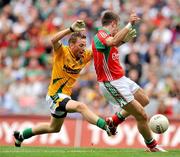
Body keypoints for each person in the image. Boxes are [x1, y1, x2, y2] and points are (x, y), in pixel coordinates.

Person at [13, 20, 112, 147]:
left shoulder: (85, 55)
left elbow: (104, 46)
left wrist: (122, 37)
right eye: (81, 45)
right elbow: (53, 40)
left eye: (84, 45)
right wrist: (70, 29)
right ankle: (106, 126)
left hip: (65, 96)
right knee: (80, 106)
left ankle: (21, 135)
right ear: (71, 45)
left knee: (53, 128)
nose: (83, 48)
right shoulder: (62, 51)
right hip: (55, 95)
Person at [92, 10, 166, 152]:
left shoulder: (106, 38)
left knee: (144, 100)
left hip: (121, 79)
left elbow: (111, 46)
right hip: (111, 82)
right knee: (142, 115)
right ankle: (152, 146)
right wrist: (129, 25)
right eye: (117, 26)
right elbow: (112, 42)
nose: (118, 28)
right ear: (113, 23)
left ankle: (114, 120)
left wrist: (124, 40)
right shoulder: (101, 35)